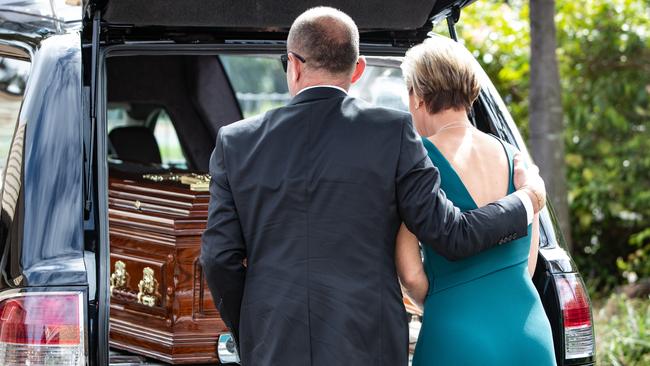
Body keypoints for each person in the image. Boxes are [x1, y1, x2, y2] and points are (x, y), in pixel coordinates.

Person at [200, 7, 546, 366]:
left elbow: (218, 258)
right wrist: (526, 200)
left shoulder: (235, 142)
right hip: (369, 344)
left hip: (272, 346)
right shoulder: (393, 133)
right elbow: (450, 233)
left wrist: (256, 327)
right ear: (358, 68)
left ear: (294, 64)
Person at [395, 36, 556, 365]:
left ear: (417, 96)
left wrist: (446, 299)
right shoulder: (514, 158)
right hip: (530, 334)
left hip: (456, 334)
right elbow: (528, 260)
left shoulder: (417, 162)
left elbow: (410, 273)